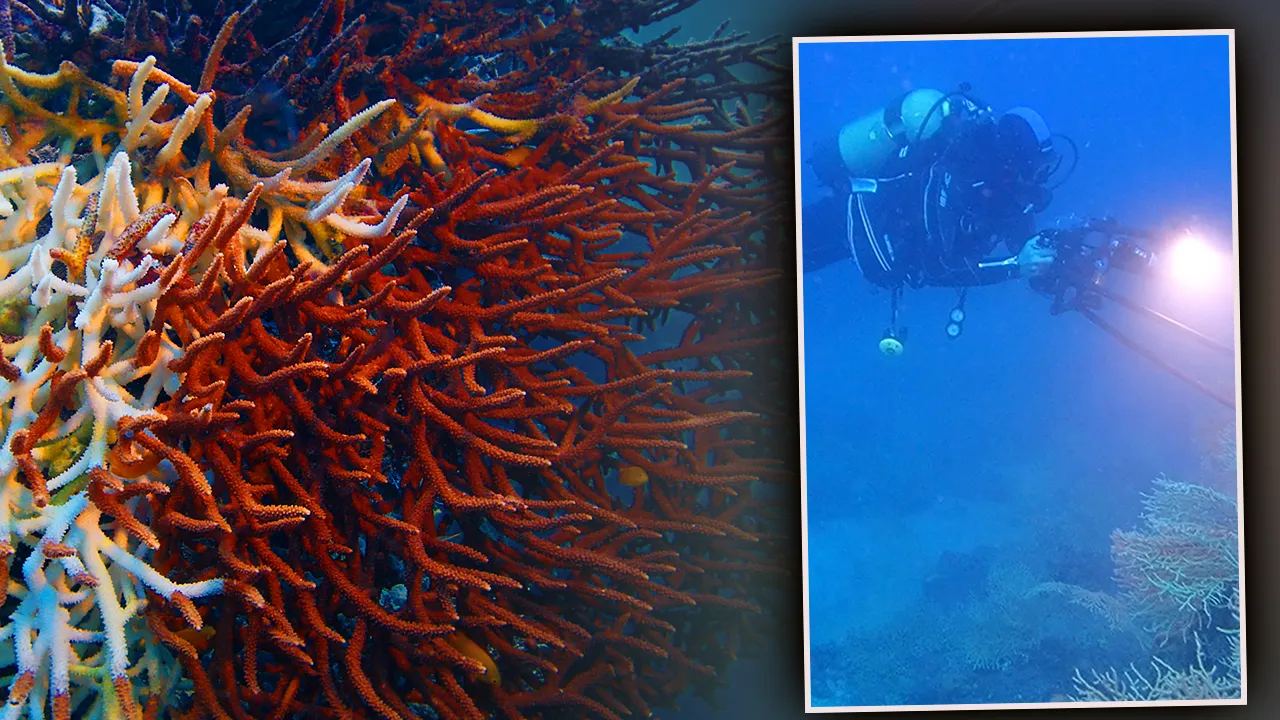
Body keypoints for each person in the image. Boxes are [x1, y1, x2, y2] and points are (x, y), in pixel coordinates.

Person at [802, 87, 1070, 349]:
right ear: (1013, 161)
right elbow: (938, 269)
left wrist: (1053, 260)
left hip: (865, 235)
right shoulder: (954, 175)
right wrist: (1015, 266)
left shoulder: (1004, 188)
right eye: (1036, 167)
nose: (1041, 178)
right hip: (843, 223)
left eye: (1045, 166)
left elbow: (1022, 241)